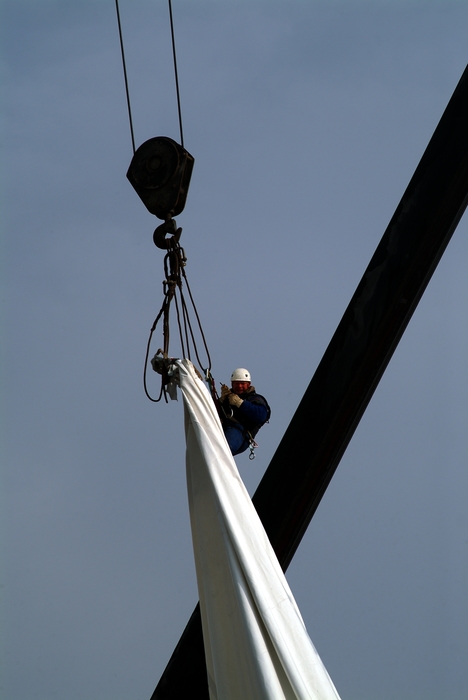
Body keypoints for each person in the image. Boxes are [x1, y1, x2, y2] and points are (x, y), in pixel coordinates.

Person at [219, 368, 270, 456]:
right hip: (223, 428)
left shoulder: (255, 399)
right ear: (232, 384)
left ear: (248, 384)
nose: (239, 386)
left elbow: (261, 416)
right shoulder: (229, 398)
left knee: (222, 451)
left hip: (240, 433)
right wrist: (221, 401)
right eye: (237, 384)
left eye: (242, 384)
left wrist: (240, 403)